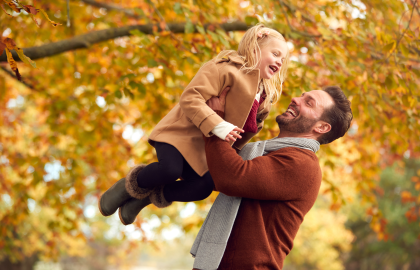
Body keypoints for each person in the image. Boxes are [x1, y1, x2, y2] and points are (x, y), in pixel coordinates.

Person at [98, 24, 290, 225]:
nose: (279, 61)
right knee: (170, 170)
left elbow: (245, 132)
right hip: (179, 134)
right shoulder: (225, 69)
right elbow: (191, 97)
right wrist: (218, 124)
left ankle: (145, 198)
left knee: (203, 187)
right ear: (254, 49)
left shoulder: (264, 98)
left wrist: (230, 156)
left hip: (202, 150)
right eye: (275, 54)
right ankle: (127, 187)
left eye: (282, 59)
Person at [191, 86, 353, 270]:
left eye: (308, 103)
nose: (295, 99)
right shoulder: (270, 152)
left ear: (321, 127)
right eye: (302, 96)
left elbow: (232, 176)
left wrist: (215, 123)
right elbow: (217, 171)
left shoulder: (302, 164)